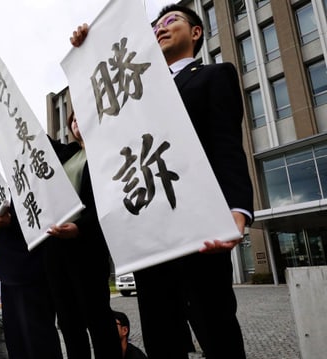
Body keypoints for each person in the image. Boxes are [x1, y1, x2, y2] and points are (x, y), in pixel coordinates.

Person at [70, 4, 253, 358]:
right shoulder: (134, 91)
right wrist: (87, 52)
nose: (161, 28)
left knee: (215, 327)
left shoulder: (213, 76)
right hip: (150, 235)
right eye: (156, 25)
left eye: (172, 21)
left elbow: (227, 145)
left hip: (200, 226)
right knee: (160, 334)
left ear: (196, 32)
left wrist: (237, 210)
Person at [0, 77, 64, 359]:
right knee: (16, 338)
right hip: (12, 266)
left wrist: (1, 104)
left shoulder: (55, 157)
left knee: (37, 336)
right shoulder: (14, 172)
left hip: (36, 263)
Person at [45, 110, 122, 359]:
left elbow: (110, 200)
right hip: (58, 250)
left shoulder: (107, 153)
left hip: (87, 247)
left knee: (97, 317)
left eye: (81, 116)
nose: (77, 122)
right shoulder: (67, 154)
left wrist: (81, 227)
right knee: (68, 321)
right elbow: (33, 139)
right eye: (73, 120)